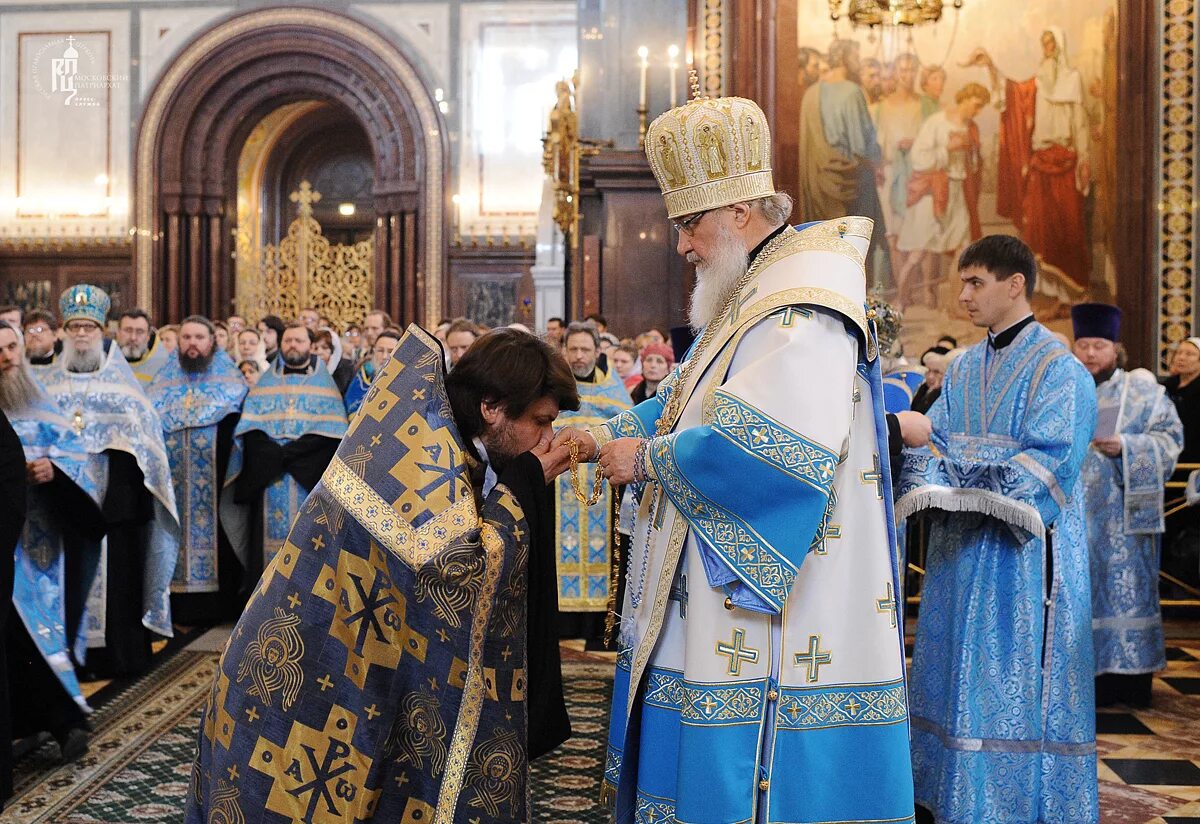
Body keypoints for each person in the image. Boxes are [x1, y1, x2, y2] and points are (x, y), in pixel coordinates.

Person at [558, 92, 914, 823]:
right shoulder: (754, 291)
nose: (682, 244)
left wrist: (648, 462)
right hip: (715, 590)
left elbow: (771, 448)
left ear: (740, 214)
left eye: (689, 224)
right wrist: (603, 434)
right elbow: (692, 398)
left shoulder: (803, 303)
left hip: (778, 608)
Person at [187, 326, 579, 823]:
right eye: (541, 422)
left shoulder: (440, 437)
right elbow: (456, 576)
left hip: (329, 667)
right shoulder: (421, 456)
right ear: (492, 407)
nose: (548, 440)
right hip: (296, 688)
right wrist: (522, 486)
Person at [896, 235, 1098, 823]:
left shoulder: (1062, 372)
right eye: (962, 283)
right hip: (959, 553)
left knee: (1009, 683)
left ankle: (1013, 806)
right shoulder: (961, 369)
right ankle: (952, 798)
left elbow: (1046, 465)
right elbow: (925, 446)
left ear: (1016, 285)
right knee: (952, 673)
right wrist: (949, 456)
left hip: (1024, 564)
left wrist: (949, 461)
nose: (964, 296)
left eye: (976, 282)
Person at [39, 285, 180, 678]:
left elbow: (146, 449)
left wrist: (115, 492)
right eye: (75, 327)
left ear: (101, 333)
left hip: (113, 509)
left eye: (89, 327)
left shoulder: (125, 392)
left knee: (117, 583)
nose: (81, 334)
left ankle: (117, 657)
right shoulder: (48, 389)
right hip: (61, 508)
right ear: (64, 333)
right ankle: (70, 659)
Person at [0, 321, 105, 763]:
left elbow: (75, 457)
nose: (7, 357)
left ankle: (65, 722)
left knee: (39, 636)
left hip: (39, 545)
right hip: (8, 544)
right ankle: (35, 724)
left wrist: (52, 472)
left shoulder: (43, 401)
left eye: (11, 347)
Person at [1072, 303, 1182, 708]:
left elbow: (1170, 440)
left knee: (1127, 594)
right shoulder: (1065, 389)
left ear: (1114, 348)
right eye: (1083, 345)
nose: (1089, 354)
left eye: (1098, 345)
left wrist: (1127, 448)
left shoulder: (1144, 393)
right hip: (1072, 519)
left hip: (1124, 521)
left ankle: (1129, 684)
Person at [968, 30, 1092, 290]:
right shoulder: (1037, 83)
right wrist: (991, 66)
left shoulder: (1072, 79)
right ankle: (1048, 294)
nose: (1047, 48)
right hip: (1040, 162)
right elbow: (1012, 93)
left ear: (1060, 45)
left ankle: (1071, 295)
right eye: (1043, 43)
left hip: (1066, 161)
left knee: (1066, 228)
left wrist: (1084, 160)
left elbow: (1080, 124)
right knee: (1039, 229)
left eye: (1051, 43)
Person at [224, 323, 346, 584]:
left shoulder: (325, 384)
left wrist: (289, 455)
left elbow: (331, 435)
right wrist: (275, 458)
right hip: (269, 479)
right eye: (288, 340)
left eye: (298, 341)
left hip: (308, 482)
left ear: (309, 346)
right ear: (280, 344)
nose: (293, 345)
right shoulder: (266, 382)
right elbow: (251, 429)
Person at [148, 316, 248, 624]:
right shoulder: (161, 384)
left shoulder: (233, 385)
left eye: (198, 337)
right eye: (186, 337)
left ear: (212, 343)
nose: (192, 343)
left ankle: (221, 608)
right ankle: (176, 609)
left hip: (215, 484)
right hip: (173, 484)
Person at [554, 322, 631, 646]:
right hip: (558, 493)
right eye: (573, 349)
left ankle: (595, 631)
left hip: (603, 495)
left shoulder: (615, 394)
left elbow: (627, 430)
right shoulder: (553, 388)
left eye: (586, 349)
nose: (579, 356)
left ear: (598, 351)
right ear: (564, 350)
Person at [797, 37, 890, 280]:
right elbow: (862, 145)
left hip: (821, 183)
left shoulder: (811, 94)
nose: (858, 63)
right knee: (858, 247)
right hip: (855, 181)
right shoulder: (852, 91)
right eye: (856, 57)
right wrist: (880, 157)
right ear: (847, 58)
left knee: (827, 248)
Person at [896, 83, 989, 309]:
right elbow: (919, 158)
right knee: (918, 253)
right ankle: (900, 300)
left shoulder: (971, 127)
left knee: (965, 247)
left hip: (957, 193)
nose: (977, 112)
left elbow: (974, 164)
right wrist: (947, 148)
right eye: (975, 106)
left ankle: (957, 305)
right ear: (964, 99)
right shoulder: (937, 122)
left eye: (980, 109)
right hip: (934, 194)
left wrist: (973, 151)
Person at [1162, 337, 1200, 598]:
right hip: (1165, 471)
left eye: (1190, 354)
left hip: (1192, 472)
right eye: (1180, 351)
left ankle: (1183, 592)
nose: (1182, 357)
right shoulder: (1164, 389)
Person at [344, 328, 401, 416]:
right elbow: (352, 405)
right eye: (380, 351)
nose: (385, 356)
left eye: (391, 351)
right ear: (374, 351)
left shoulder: (406, 380)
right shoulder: (363, 376)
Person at [117, 308, 170, 386]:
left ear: (148, 336)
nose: (133, 337)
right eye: (128, 330)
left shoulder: (161, 366)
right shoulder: (105, 362)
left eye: (140, 332)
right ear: (118, 333)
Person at [312, 327, 355, 392]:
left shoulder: (346, 368)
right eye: (315, 348)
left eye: (325, 348)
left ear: (334, 350)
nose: (319, 352)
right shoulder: (309, 368)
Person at [910, 347, 949, 414]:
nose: (930, 376)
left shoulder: (945, 394)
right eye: (928, 371)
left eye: (936, 372)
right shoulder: (923, 387)